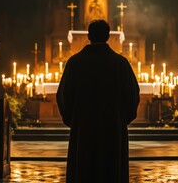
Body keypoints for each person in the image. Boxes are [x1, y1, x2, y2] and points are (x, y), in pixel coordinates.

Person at [57, 19, 140, 183]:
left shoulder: (75, 62)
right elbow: (132, 94)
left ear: (88, 35)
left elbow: (64, 94)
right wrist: (122, 119)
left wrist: (73, 119)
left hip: (84, 125)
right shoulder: (120, 63)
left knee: (84, 168)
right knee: (111, 168)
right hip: (112, 126)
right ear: (108, 36)